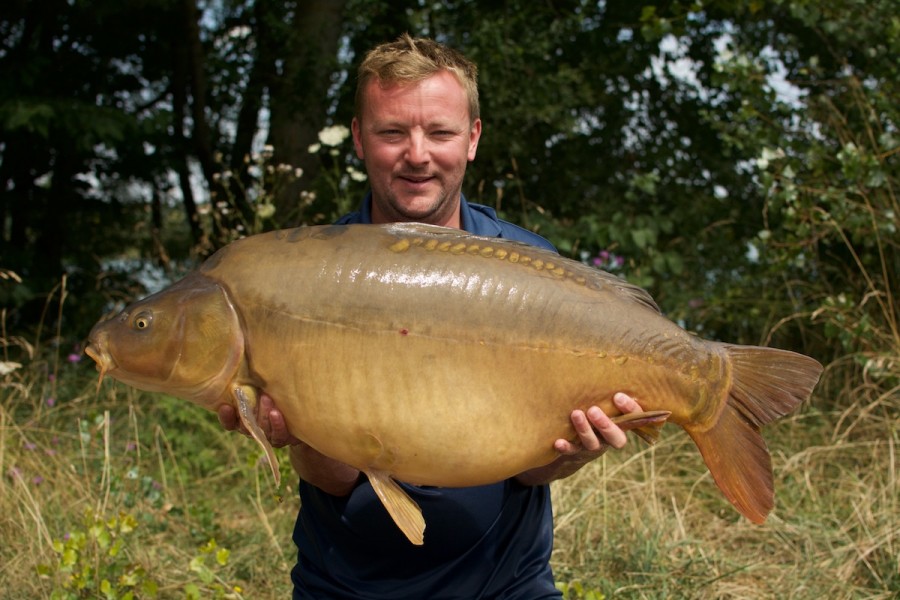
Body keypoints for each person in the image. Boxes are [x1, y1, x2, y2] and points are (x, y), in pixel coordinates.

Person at [219, 34, 645, 599]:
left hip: (506, 586)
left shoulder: (534, 271)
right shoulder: (306, 277)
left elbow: (527, 472)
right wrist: (300, 428)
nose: (417, 154)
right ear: (359, 139)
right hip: (345, 586)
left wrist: (570, 454)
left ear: (471, 139)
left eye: (440, 132)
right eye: (392, 132)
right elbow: (337, 479)